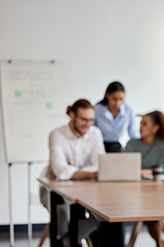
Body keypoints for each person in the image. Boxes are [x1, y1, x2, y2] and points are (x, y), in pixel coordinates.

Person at [40, 99, 125, 246]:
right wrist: (90, 173)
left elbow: (99, 166)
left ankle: (73, 239)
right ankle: (68, 240)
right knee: (65, 217)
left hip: (86, 189)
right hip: (53, 190)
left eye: (91, 120)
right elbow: (60, 170)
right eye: (83, 119)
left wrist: (72, 172)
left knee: (108, 212)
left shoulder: (95, 133)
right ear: (72, 115)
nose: (88, 124)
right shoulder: (57, 135)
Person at [125, 111, 164, 247]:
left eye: (144, 124)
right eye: (140, 123)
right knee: (152, 211)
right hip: (133, 192)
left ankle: (159, 239)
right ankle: (160, 239)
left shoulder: (162, 145)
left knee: (153, 209)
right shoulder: (131, 144)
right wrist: (150, 171)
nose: (140, 127)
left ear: (155, 128)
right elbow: (123, 167)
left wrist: (138, 171)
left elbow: (163, 170)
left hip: (155, 192)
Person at [95, 81, 139, 152]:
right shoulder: (97, 109)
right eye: (114, 99)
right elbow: (91, 131)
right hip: (99, 145)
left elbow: (133, 133)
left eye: (121, 99)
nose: (117, 103)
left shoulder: (128, 110)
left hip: (117, 146)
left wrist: (140, 147)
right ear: (107, 95)